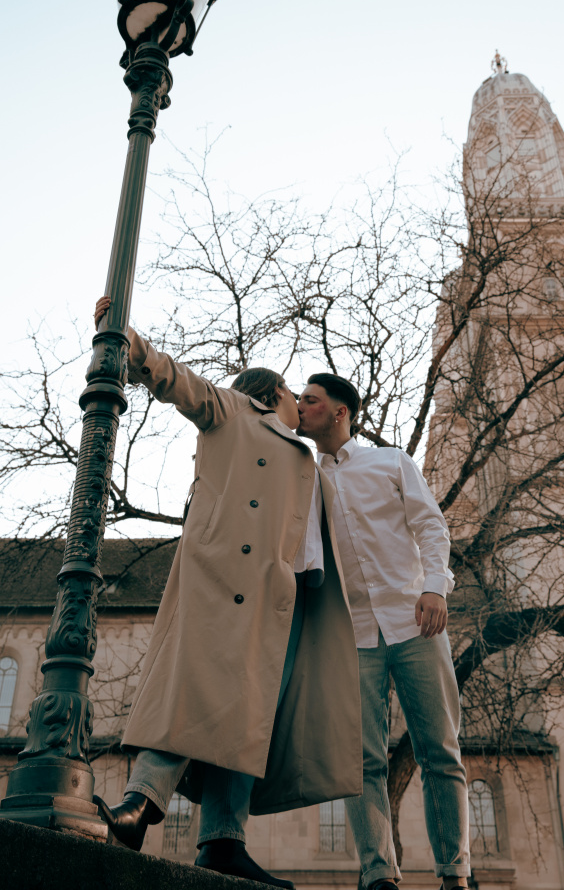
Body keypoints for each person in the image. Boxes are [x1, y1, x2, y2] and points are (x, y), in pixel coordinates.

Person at [92, 299, 362, 889]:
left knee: (245, 721)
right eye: (294, 394)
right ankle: (141, 803)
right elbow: (181, 384)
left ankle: (221, 841)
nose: (300, 405)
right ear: (272, 394)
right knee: (197, 695)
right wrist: (131, 344)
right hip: (228, 584)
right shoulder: (238, 411)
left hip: (284, 603)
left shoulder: (310, 458)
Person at [297, 373, 470, 890]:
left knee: (440, 751)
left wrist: (436, 586)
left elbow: (430, 525)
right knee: (361, 761)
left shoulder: (391, 461)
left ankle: (454, 875)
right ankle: (378, 875)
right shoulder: (303, 478)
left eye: (310, 400)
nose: (300, 407)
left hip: (415, 622)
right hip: (351, 637)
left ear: (340, 412)